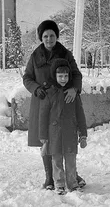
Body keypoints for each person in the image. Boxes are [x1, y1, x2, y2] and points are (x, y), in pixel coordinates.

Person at [22, 19, 87, 190]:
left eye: (52, 35)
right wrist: (36, 89)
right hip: (43, 101)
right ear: (41, 38)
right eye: (45, 36)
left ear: (56, 36)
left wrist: (74, 89)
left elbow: (76, 75)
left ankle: (72, 175)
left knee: (66, 139)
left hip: (63, 102)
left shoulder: (65, 53)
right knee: (46, 141)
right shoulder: (35, 56)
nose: (49, 39)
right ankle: (49, 178)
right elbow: (27, 78)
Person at [39, 58, 87, 195]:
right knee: (57, 161)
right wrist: (43, 136)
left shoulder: (73, 94)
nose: (63, 79)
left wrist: (83, 134)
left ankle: (72, 184)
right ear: (54, 76)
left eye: (66, 76)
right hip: (54, 135)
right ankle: (59, 184)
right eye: (60, 76)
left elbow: (80, 115)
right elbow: (43, 116)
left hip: (70, 134)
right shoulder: (48, 94)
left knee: (71, 161)